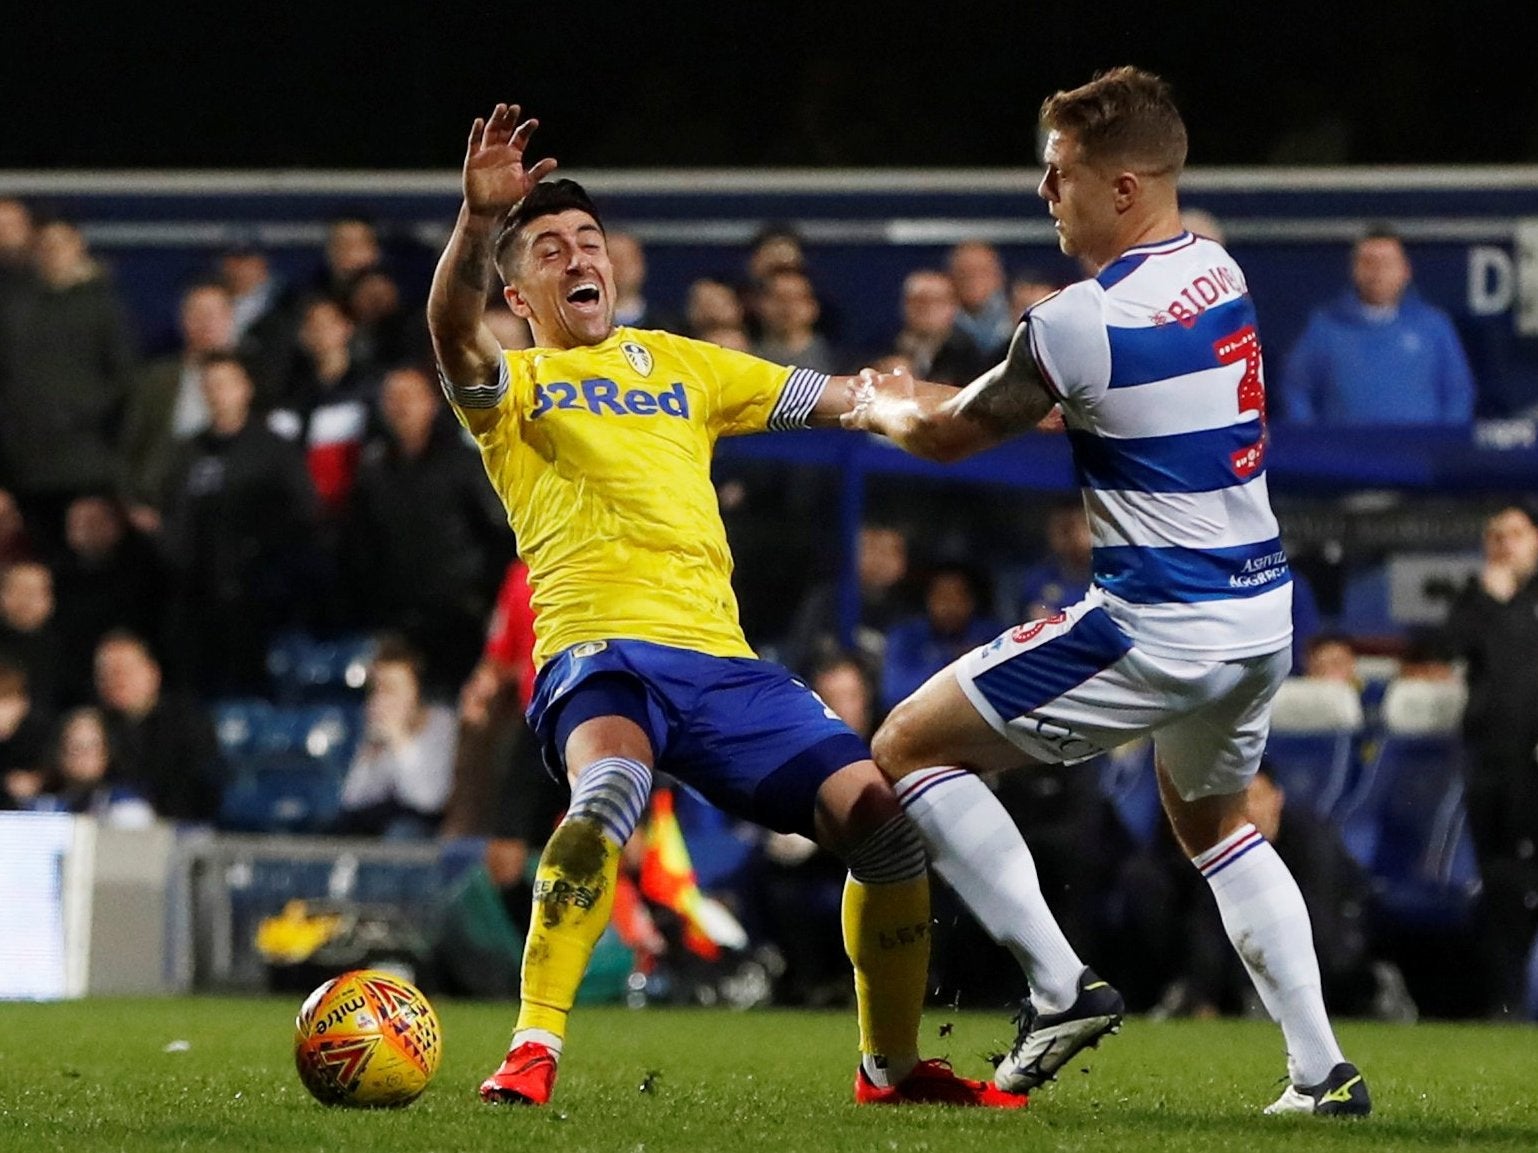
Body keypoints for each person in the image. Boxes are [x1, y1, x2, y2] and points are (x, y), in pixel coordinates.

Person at [427, 103, 1020, 1109]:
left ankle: (889, 1067)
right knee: (606, 794)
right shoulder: (514, 385)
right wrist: (476, 227)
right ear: (520, 290)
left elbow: (841, 394)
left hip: (724, 665)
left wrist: (959, 408)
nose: (580, 256)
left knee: (880, 824)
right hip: (600, 652)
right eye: (551, 248)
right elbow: (450, 332)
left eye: (590, 242)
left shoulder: (684, 365)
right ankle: (533, 1046)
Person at [843, 67, 1370, 1116]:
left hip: (1157, 623)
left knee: (904, 746)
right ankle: (1319, 1072)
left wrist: (873, 403)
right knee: (1214, 824)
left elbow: (954, 433)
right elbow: (1053, 399)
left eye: (1060, 174)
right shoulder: (1215, 271)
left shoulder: (1071, 320)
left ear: (1122, 188)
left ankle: (1055, 985)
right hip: (1259, 616)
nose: (1045, 195)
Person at [341, 363, 510, 693]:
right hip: (400, 620)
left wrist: (485, 599)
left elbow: (498, 534)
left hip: (462, 619)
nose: (401, 406)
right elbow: (361, 547)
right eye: (392, 398)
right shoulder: (373, 471)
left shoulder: (463, 461)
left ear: (431, 402)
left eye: (410, 397)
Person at [158, 352, 318, 694]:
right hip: (199, 605)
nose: (218, 393)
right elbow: (174, 522)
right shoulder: (187, 454)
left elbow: (304, 517)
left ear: (245, 388)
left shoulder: (276, 450)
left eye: (226, 384)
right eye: (210, 386)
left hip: (263, 602)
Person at [1440, 505, 1538, 1016]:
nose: (1504, 545)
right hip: (1492, 765)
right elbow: (1444, 648)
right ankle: (1506, 1003)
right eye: (1494, 535)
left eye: (1516, 534)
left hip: (1534, 760)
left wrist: (1501, 607)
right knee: (1500, 883)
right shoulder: (1475, 599)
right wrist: (1487, 601)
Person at [1279, 227, 1476, 425]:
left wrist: (1445, 444)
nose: (1377, 272)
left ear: (1405, 271)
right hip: (1345, 453)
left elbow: (1458, 393)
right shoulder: (1325, 328)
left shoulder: (1434, 327)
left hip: (1418, 451)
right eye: (1368, 263)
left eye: (1387, 263)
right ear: (1354, 269)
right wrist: (1311, 439)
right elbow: (1296, 388)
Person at [93, 630, 223, 823]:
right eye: (106, 673)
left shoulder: (186, 722)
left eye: (124, 671)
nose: (116, 680)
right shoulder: (92, 724)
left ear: (152, 673)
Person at [336, 635, 457, 838]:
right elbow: (352, 800)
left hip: (428, 831)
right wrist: (371, 756)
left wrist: (400, 741)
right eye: (377, 690)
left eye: (391, 690)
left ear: (417, 692)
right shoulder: (375, 729)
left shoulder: (442, 724)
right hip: (380, 823)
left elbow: (430, 800)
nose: (381, 700)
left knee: (403, 831)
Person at [880, 562, 1003, 714]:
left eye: (957, 596)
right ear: (929, 600)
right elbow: (893, 694)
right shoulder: (906, 636)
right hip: (920, 723)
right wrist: (954, 663)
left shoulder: (992, 636)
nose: (949, 605)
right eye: (942, 596)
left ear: (971, 602)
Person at [889, 270, 989, 386]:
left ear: (953, 307)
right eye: (918, 300)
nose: (926, 308)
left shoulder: (966, 354)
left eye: (936, 300)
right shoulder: (885, 346)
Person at [750, 266, 841, 373]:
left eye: (796, 298)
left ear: (813, 306)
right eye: (778, 298)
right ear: (759, 304)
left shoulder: (840, 360)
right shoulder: (746, 359)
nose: (787, 307)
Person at [1016, 501, 1093, 621]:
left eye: (1082, 527)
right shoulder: (1038, 579)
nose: (1071, 536)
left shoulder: (1113, 578)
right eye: (1064, 529)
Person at [947, 241, 1014, 354]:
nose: (973, 279)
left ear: (999, 277)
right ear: (950, 278)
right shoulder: (940, 325)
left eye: (982, 271)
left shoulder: (1016, 317)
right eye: (964, 273)